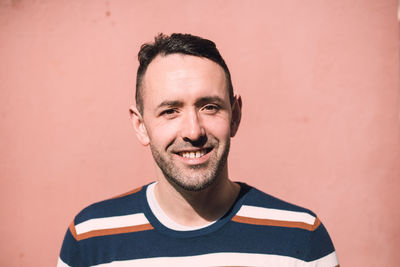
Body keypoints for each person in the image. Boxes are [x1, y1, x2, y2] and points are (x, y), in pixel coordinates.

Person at [57, 33, 339, 267]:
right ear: (141, 125)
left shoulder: (300, 239)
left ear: (236, 115)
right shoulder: (91, 239)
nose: (193, 131)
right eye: (170, 111)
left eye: (210, 107)